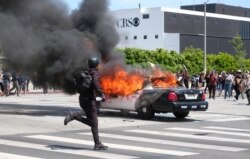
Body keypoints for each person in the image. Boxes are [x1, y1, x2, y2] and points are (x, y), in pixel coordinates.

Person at [64, 57, 108, 150]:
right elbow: (96, 84)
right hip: (90, 100)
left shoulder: (85, 73)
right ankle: (74, 115)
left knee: (93, 122)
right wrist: (101, 94)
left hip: (83, 99)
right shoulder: (95, 73)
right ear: (96, 64)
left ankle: (97, 143)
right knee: (94, 123)